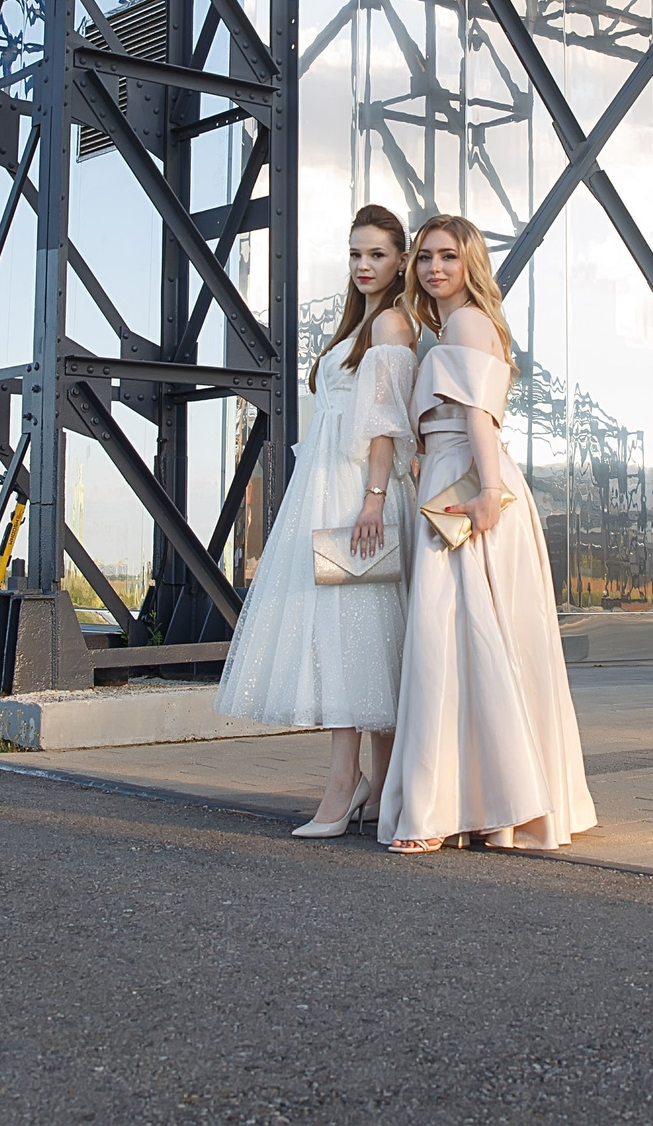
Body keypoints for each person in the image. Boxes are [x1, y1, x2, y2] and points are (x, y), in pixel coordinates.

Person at [380, 213, 595, 854]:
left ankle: (445, 809)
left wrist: (487, 495)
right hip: (461, 480)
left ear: (469, 263)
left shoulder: (468, 321)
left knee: (451, 642)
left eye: (447, 256)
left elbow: (479, 417)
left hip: (469, 487)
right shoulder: (455, 326)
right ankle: (487, 804)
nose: (433, 268)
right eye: (424, 257)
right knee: (477, 643)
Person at [216, 205, 417, 837]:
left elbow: (386, 422)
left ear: (401, 260)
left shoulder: (390, 324)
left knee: (353, 633)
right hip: (333, 486)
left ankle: (341, 789)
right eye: (356, 254)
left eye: (377, 255)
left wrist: (374, 500)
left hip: (358, 491)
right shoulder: (362, 325)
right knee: (361, 634)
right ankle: (375, 789)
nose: (363, 266)